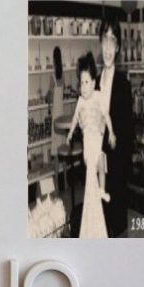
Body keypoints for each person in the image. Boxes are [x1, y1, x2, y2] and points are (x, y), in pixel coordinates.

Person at [67, 53, 115, 238]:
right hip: (88, 144)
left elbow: (106, 115)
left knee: (102, 163)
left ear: (94, 83)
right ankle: (94, 199)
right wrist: (70, 133)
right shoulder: (81, 101)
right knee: (93, 165)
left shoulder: (98, 96)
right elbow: (74, 119)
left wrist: (111, 132)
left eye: (87, 82)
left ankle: (101, 191)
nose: (84, 86)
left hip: (98, 141)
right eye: (81, 83)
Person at [96, 15, 133, 237]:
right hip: (97, 169)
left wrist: (119, 172)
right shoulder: (93, 83)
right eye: (105, 39)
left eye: (113, 40)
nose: (108, 47)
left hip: (117, 172)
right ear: (100, 43)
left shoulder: (124, 85)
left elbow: (128, 136)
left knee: (118, 230)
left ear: (118, 47)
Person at [47, 47, 65, 177]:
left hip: (55, 117)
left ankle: (57, 182)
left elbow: (50, 97)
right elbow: (62, 93)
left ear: (53, 60)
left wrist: (46, 95)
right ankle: (65, 181)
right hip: (62, 115)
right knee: (62, 148)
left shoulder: (52, 77)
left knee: (56, 149)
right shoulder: (63, 76)